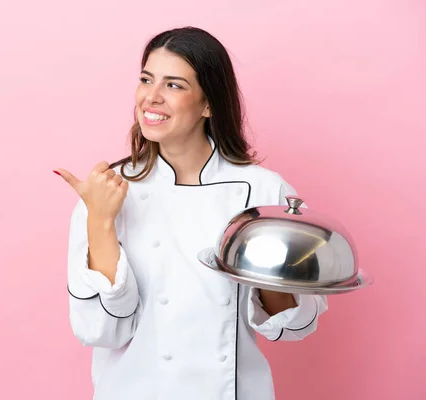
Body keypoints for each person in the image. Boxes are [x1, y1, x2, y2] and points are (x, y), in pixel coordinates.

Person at [54, 26, 328, 400]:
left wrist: (265, 262)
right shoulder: (108, 189)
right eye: (146, 79)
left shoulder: (265, 192)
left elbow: (293, 327)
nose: (151, 97)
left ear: (208, 103)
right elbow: (100, 331)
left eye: (174, 85)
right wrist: (100, 222)